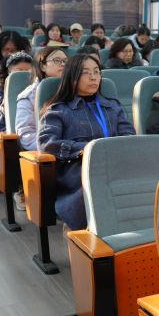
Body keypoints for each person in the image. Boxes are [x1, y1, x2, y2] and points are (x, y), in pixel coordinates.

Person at [38, 53, 134, 230]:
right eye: (86, 72)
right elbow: (47, 144)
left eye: (97, 72)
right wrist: (88, 149)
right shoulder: (58, 110)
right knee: (101, 184)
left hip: (115, 164)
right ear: (72, 77)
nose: (93, 77)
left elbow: (128, 135)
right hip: (78, 169)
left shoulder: (112, 106)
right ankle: (83, 232)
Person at [16, 47, 68, 151]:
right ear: (43, 66)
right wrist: (57, 146)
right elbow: (27, 137)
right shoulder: (28, 96)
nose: (63, 64)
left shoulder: (77, 90)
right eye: (57, 60)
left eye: (65, 61)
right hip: (51, 152)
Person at [0, 51, 34, 132]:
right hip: (3, 126)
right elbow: (2, 108)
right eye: (20, 70)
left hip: (28, 125)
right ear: (9, 70)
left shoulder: (34, 85)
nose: (24, 73)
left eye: (28, 70)